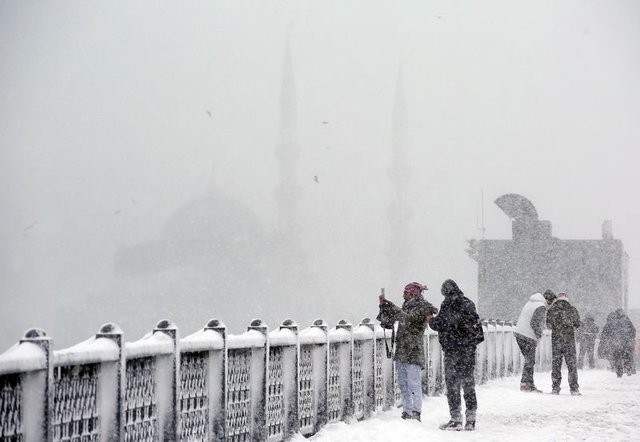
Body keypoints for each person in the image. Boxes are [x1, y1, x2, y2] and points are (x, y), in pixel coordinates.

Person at [429, 279, 484, 431]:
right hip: (468, 351)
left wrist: (430, 319)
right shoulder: (469, 303)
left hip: (453, 350)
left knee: (453, 384)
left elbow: (440, 324)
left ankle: (456, 418)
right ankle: (471, 418)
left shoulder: (447, 304)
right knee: (468, 383)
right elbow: (476, 327)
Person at [378, 282, 438, 421]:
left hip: (413, 350)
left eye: (405, 293)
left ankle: (416, 412)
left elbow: (408, 318)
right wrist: (384, 305)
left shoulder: (423, 308)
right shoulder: (407, 306)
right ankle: (407, 410)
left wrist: (390, 304)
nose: (403, 295)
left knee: (414, 383)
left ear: (413, 294)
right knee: (403, 383)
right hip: (403, 350)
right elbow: (393, 318)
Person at [514, 290, 557, 392]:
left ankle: (528, 383)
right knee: (530, 361)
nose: (550, 305)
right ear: (548, 299)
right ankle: (526, 384)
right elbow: (535, 322)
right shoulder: (540, 306)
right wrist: (538, 334)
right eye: (551, 302)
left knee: (529, 360)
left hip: (519, 333)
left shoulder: (531, 302)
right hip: (527, 335)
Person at [546, 291, 581, 395]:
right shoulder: (572, 309)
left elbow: (548, 325)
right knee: (572, 365)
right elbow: (577, 324)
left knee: (556, 365)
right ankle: (574, 388)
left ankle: (555, 388)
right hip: (569, 341)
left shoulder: (551, 310)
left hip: (556, 341)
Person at [598, 309, 636, 377]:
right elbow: (633, 332)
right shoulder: (628, 322)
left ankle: (619, 372)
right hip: (626, 343)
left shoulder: (611, 323)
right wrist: (630, 338)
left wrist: (609, 340)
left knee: (617, 358)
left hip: (616, 344)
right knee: (627, 357)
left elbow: (605, 333)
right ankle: (628, 370)